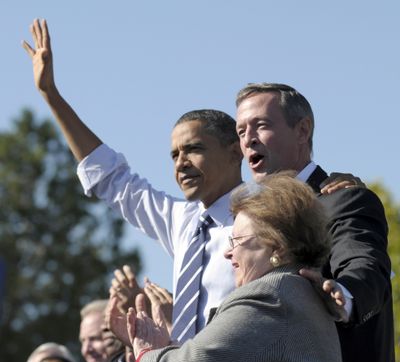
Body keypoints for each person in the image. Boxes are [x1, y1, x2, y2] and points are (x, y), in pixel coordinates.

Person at [22, 19, 356, 342]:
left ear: (234, 151)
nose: (181, 163)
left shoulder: (269, 217)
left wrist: (335, 186)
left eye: (194, 149)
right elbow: (112, 178)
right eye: (173, 155)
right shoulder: (181, 221)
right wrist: (51, 95)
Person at [118, 174, 349, 362]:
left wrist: (148, 354)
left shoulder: (270, 297)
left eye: (237, 239)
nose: (228, 252)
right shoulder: (293, 295)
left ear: (275, 244)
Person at [235, 82, 400, 362]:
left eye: (260, 125)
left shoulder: (342, 199)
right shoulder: (249, 226)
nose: (248, 140)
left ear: (303, 130)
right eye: (241, 131)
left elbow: (364, 264)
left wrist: (343, 294)